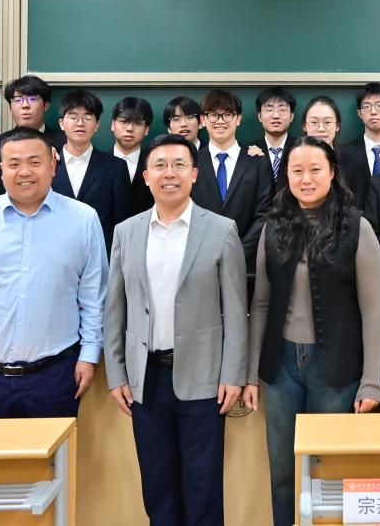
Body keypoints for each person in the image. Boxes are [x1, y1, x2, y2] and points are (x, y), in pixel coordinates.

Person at [103, 134, 248, 526]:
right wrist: (116, 373)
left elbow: (236, 310)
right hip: (145, 379)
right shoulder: (126, 232)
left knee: (203, 488)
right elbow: (115, 309)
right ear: (146, 176)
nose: (170, 174)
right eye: (161, 165)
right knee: (158, 486)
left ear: (194, 174)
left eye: (179, 165)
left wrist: (233, 374)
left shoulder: (221, 230)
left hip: (204, 378)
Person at [243, 136, 380, 526]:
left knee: (331, 469)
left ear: (332, 172)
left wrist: (371, 381)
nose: (306, 179)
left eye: (315, 170)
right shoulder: (272, 227)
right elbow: (261, 304)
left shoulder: (357, 227)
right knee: (282, 472)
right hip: (280, 370)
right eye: (297, 171)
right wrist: (252, 375)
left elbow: (373, 310)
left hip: (336, 367)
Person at [0, 127, 107, 418]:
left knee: (54, 451)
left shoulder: (83, 219)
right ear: (1, 170)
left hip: (55, 374)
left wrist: (89, 355)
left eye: (35, 162)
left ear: (53, 165)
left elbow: (94, 297)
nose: (24, 171)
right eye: (14, 164)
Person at [191, 90, 273, 292]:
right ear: (203, 120)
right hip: (199, 263)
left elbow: (264, 214)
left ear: (238, 119)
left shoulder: (257, 162)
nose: (220, 121)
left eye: (227, 114)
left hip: (247, 266)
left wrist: (238, 253)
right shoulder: (191, 162)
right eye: (213, 115)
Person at [52, 89, 129, 249]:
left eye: (87, 117)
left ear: (97, 125)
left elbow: (121, 222)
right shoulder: (48, 165)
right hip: (54, 251)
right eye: (73, 117)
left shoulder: (116, 167)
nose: (80, 123)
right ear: (61, 123)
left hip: (99, 253)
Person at [339, 83, 380, 210]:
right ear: (359, 113)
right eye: (367, 106)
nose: (373, 112)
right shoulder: (344, 153)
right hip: (357, 220)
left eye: (379, 105)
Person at [110, 96, 155, 218]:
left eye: (137, 123)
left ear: (146, 129)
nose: (129, 128)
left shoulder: (155, 165)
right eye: (123, 121)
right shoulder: (97, 163)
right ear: (113, 125)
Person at [249, 86, 298, 194]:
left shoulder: (301, 148)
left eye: (282, 110)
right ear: (259, 116)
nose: (276, 115)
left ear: (291, 116)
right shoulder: (248, 151)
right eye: (269, 110)